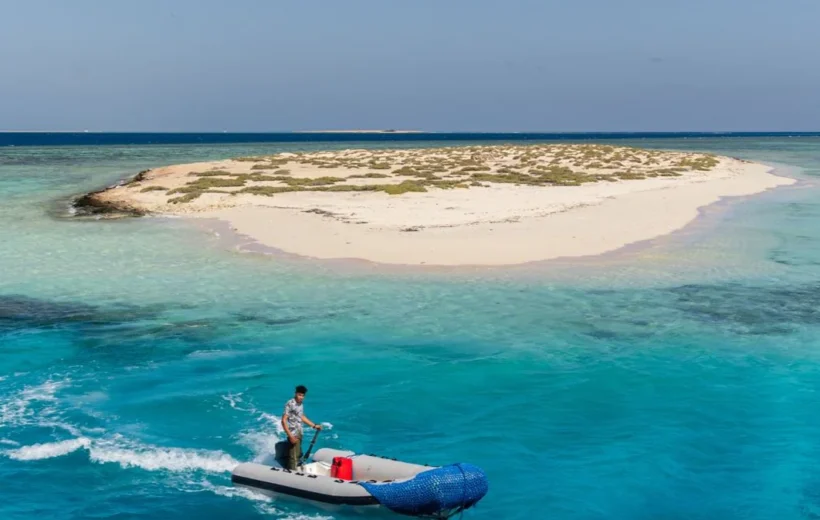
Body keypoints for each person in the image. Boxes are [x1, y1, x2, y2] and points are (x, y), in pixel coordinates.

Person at [281, 385, 322, 470]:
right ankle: (292, 475)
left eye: (303, 396)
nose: (301, 397)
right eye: (299, 395)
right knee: (294, 457)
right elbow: (283, 420)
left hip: (299, 431)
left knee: (299, 454)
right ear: (295, 394)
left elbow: (301, 416)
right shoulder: (290, 403)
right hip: (293, 433)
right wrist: (290, 436)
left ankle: (297, 470)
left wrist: (314, 425)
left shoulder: (300, 404)